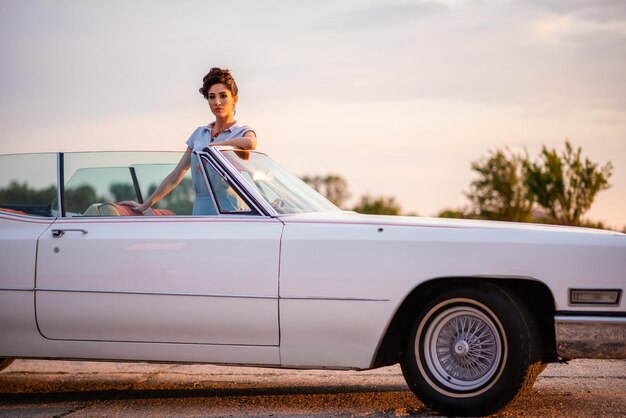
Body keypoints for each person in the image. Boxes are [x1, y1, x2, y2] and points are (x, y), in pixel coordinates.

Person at [121, 67, 256, 215]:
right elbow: (176, 175)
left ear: (234, 99)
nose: (217, 102)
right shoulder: (199, 134)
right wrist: (145, 205)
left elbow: (250, 143)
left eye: (223, 96)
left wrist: (214, 147)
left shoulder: (241, 131)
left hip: (229, 206)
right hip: (200, 205)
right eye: (211, 97)